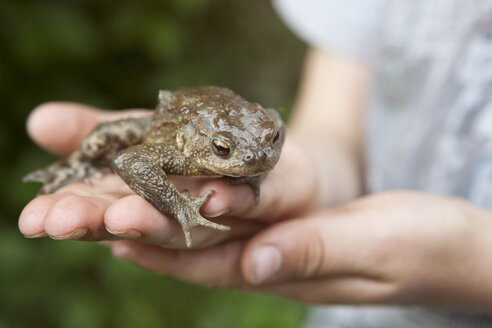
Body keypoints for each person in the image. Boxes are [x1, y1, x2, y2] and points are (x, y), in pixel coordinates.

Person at [19, 0, 492, 327]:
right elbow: (132, 162)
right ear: (211, 148)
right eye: (229, 153)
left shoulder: (257, 138)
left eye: (270, 143)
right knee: (108, 136)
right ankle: (75, 165)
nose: (258, 157)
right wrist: (179, 204)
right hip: (182, 121)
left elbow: (268, 130)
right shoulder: (181, 149)